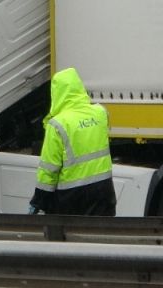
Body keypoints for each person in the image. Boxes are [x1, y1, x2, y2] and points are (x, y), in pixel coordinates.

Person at [28, 66, 115, 217]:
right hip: (104, 190)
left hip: (73, 197)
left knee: (73, 238)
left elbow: (49, 169)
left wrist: (38, 201)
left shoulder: (57, 124)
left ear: (56, 93)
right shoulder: (100, 113)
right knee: (102, 236)